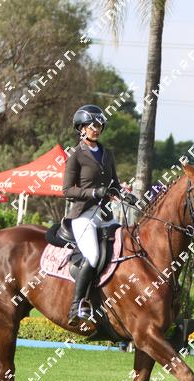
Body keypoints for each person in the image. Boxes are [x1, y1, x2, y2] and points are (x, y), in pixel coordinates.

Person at [62, 104, 123, 325]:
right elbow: (67, 190)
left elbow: (114, 184)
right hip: (83, 215)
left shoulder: (107, 154)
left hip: (105, 215)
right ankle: (76, 306)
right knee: (94, 256)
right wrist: (94, 192)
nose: (96, 129)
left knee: (125, 248)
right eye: (92, 126)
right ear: (82, 128)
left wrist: (125, 195)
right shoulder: (76, 155)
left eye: (99, 125)